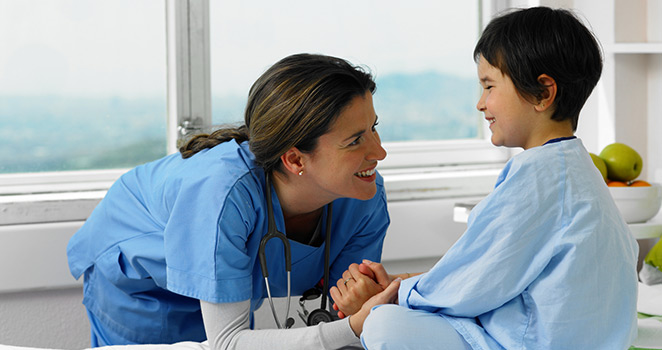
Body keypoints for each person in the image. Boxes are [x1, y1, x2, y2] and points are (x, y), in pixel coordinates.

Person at [333, 7, 640, 350]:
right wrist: (399, 285)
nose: (481, 104)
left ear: (542, 93)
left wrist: (386, 297)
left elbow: (476, 282)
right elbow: (483, 272)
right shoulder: (574, 170)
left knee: (383, 325)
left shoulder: (540, 180)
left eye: (489, 86)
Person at [66, 53, 392, 349]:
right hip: (143, 290)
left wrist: (360, 303)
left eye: (373, 128)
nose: (379, 152)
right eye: (355, 140)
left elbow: (345, 307)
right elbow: (228, 342)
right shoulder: (221, 195)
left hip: (221, 294)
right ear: (295, 159)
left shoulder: (364, 197)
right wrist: (352, 326)